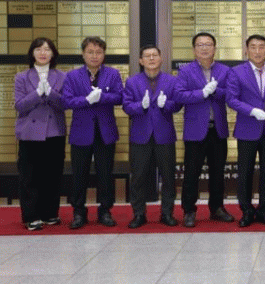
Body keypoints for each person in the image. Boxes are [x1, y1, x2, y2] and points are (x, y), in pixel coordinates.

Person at [62, 36, 124, 229]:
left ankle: (105, 211)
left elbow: (120, 97)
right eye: (90, 52)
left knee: (105, 173)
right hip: (81, 132)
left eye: (98, 52)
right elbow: (66, 101)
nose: (94, 56)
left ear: (104, 54)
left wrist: (102, 97)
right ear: (83, 54)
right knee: (79, 174)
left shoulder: (113, 74)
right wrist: (87, 100)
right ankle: (78, 212)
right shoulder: (72, 76)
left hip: (105, 132)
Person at [174, 32, 233, 228]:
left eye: (208, 44)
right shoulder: (185, 71)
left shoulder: (225, 70)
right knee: (191, 173)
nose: (204, 48)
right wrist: (202, 93)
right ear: (194, 49)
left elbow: (231, 95)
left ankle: (217, 208)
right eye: (200, 45)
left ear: (215, 48)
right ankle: (189, 211)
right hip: (195, 131)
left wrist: (216, 91)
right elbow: (179, 95)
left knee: (218, 172)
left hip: (218, 129)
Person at [122, 45, 182, 228]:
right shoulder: (132, 82)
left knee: (168, 177)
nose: (151, 59)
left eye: (155, 55)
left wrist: (166, 105)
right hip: (141, 136)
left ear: (161, 58)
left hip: (165, 136)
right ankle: (139, 214)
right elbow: (126, 106)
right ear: (141, 61)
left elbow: (178, 104)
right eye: (147, 56)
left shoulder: (171, 81)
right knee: (138, 177)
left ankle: (167, 213)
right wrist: (141, 106)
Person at [227, 35, 265, 228]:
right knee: (245, 173)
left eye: (261, 47)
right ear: (246, 50)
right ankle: (247, 211)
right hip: (247, 129)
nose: (257, 51)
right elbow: (232, 99)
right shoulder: (236, 72)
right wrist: (252, 111)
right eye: (253, 47)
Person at [14, 38, 66, 231]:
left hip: (54, 131)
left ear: (53, 54)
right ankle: (31, 216)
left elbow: (65, 104)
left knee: (52, 174)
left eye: (47, 49)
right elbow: (19, 105)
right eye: (38, 49)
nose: (43, 53)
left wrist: (50, 93)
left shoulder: (62, 76)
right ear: (32, 53)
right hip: (29, 132)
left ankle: (50, 213)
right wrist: (37, 94)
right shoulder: (22, 77)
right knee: (29, 176)